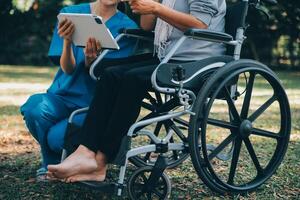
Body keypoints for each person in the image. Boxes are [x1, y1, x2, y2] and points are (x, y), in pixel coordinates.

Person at [48, 0, 226, 183]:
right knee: (110, 74)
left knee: (133, 79)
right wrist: (151, 4)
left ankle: (101, 161)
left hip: (198, 61)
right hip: (167, 58)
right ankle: (84, 152)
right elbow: (146, 25)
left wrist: (157, 7)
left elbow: (200, 23)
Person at [20, 0, 138, 180]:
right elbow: (68, 68)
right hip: (61, 97)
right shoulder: (71, 13)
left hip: (92, 106)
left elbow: (113, 78)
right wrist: (68, 42)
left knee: (55, 139)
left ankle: (69, 159)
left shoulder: (128, 28)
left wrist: (92, 62)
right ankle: (50, 164)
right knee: (34, 108)